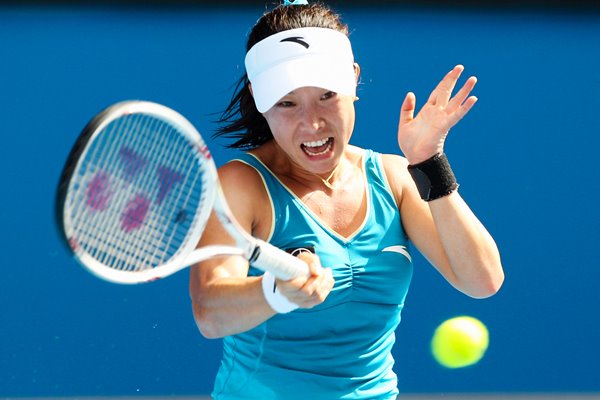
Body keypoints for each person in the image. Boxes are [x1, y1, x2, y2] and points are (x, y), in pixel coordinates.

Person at [189, 2, 504, 399]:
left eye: (326, 95)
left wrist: (428, 164)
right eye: (287, 102)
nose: (312, 122)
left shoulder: (394, 177)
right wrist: (275, 292)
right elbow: (210, 313)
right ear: (258, 98)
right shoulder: (240, 185)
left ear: (354, 80)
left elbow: (482, 280)